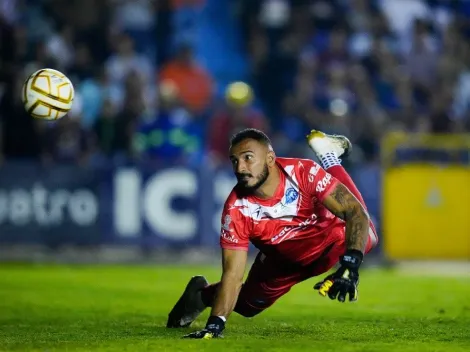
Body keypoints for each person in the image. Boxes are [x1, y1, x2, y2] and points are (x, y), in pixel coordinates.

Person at [167, 128, 379, 339]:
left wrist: (350, 265)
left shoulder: (303, 172)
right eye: (234, 161)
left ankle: (329, 156)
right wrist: (215, 326)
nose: (240, 168)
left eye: (248, 158)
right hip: (283, 264)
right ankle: (200, 294)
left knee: (366, 232)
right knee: (247, 307)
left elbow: (354, 211)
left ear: (270, 158)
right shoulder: (237, 209)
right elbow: (233, 275)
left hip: (329, 240)